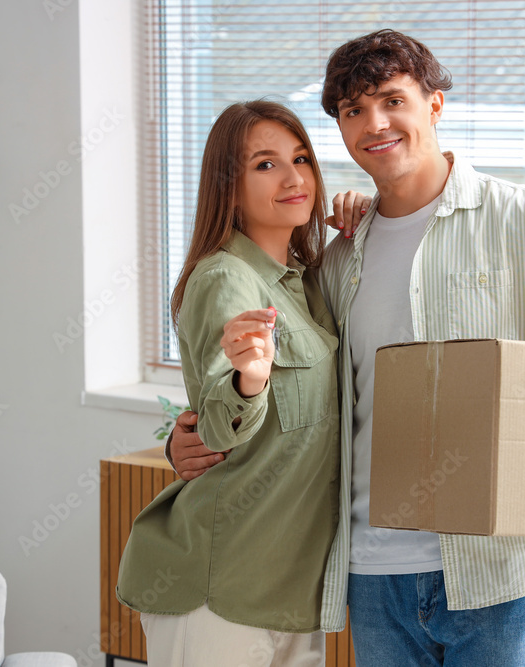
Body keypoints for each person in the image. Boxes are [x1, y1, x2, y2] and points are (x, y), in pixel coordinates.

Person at [168, 30, 525, 666]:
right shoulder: (338, 257)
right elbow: (296, 395)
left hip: (495, 572)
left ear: (433, 104)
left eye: (391, 100)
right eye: (353, 111)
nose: (375, 123)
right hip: (370, 574)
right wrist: (184, 434)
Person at [115, 100, 364, 667]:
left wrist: (367, 217)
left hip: (290, 590)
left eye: (300, 157)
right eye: (265, 164)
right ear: (228, 187)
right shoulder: (225, 277)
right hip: (220, 581)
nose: (294, 176)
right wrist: (250, 381)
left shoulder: (308, 285)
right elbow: (220, 422)